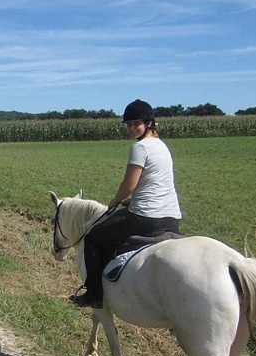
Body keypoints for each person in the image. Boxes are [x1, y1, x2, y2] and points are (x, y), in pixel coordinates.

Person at [72, 99, 182, 309]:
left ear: (149, 123)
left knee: (93, 237)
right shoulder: (162, 146)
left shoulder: (140, 147)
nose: (131, 129)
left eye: (136, 124)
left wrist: (115, 201)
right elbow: (155, 183)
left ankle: (94, 293)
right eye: (129, 124)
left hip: (146, 217)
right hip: (172, 217)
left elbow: (129, 185)